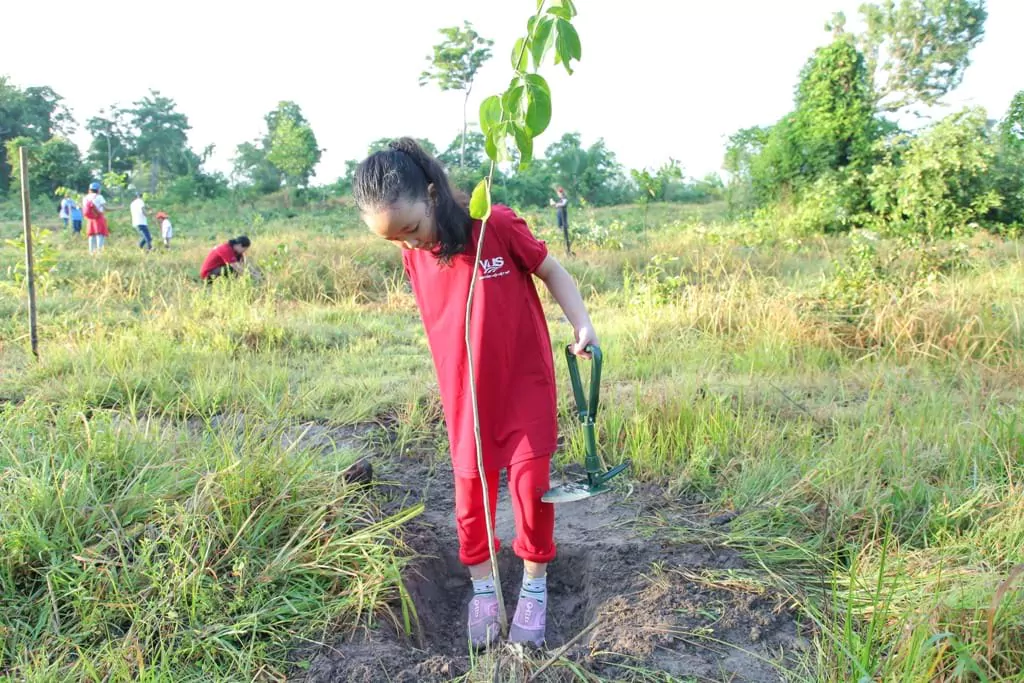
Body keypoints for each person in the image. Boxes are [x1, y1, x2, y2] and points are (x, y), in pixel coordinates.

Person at [353, 138, 599, 649]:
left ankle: (534, 586)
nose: (410, 244)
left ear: (431, 193)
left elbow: (552, 270)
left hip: (524, 386)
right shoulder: (414, 256)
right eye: (394, 240)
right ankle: (484, 590)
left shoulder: (496, 226)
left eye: (413, 229)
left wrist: (582, 325)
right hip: (467, 398)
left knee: (532, 491)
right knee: (471, 499)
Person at [83, 181, 108, 254]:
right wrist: (118, 208)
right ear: (98, 189)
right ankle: (100, 252)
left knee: (91, 235)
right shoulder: (99, 197)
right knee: (100, 235)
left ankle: (91, 252)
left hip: (90, 219)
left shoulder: (86, 197)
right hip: (99, 217)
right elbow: (105, 208)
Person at [549, 187, 572, 255]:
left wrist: (556, 204)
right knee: (560, 229)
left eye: (560, 193)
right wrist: (553, 203)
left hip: (563, 221)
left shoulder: (564, 199)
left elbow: (563, 204)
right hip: (559, 220)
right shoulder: (560, 200)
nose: (559, 194)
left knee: (565, 233)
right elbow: (556, 205)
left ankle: (568, 250)